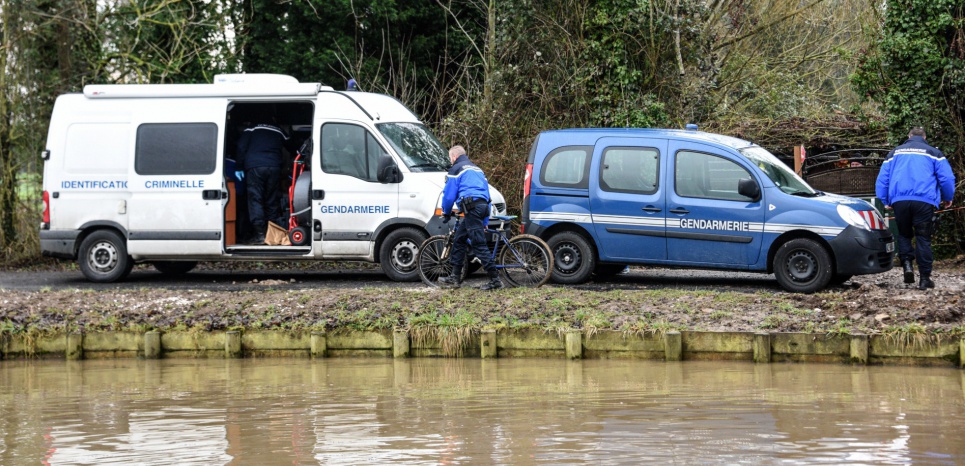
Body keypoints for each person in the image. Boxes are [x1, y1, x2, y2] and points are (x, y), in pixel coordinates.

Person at [875, 127, 956, 290]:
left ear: (908, 137)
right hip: (924, 201)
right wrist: (948, 197)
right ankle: (925, 279)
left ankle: (907, 266)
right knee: (923, 237)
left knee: (904, 234)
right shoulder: (934, 153)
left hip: (900, 201)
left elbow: (882, 179)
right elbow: (946, 178)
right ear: (924, 138)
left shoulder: (894, 153)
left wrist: (885, 200)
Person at [438, 145, 503, 290]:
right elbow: (486, 195)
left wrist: (446, 212)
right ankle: (455, 278)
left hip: (472, 208)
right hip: (483, 207)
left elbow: (449, 195)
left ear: (454, 157)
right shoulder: (477, 169)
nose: (451, 161)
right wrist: (485, 221)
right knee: (459, 239)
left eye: (450, 158)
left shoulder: (456, 169)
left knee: (478, 244)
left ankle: (495, 280)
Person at [236, 120, 292, 244]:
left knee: (256, 199)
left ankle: (260, 235)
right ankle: (271, 234)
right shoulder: (278, 129)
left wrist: (239, 167)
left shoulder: (251, 128)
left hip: (255, 167)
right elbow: (292, 146)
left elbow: (241, 146)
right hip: (274, 167)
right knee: (271, 200)